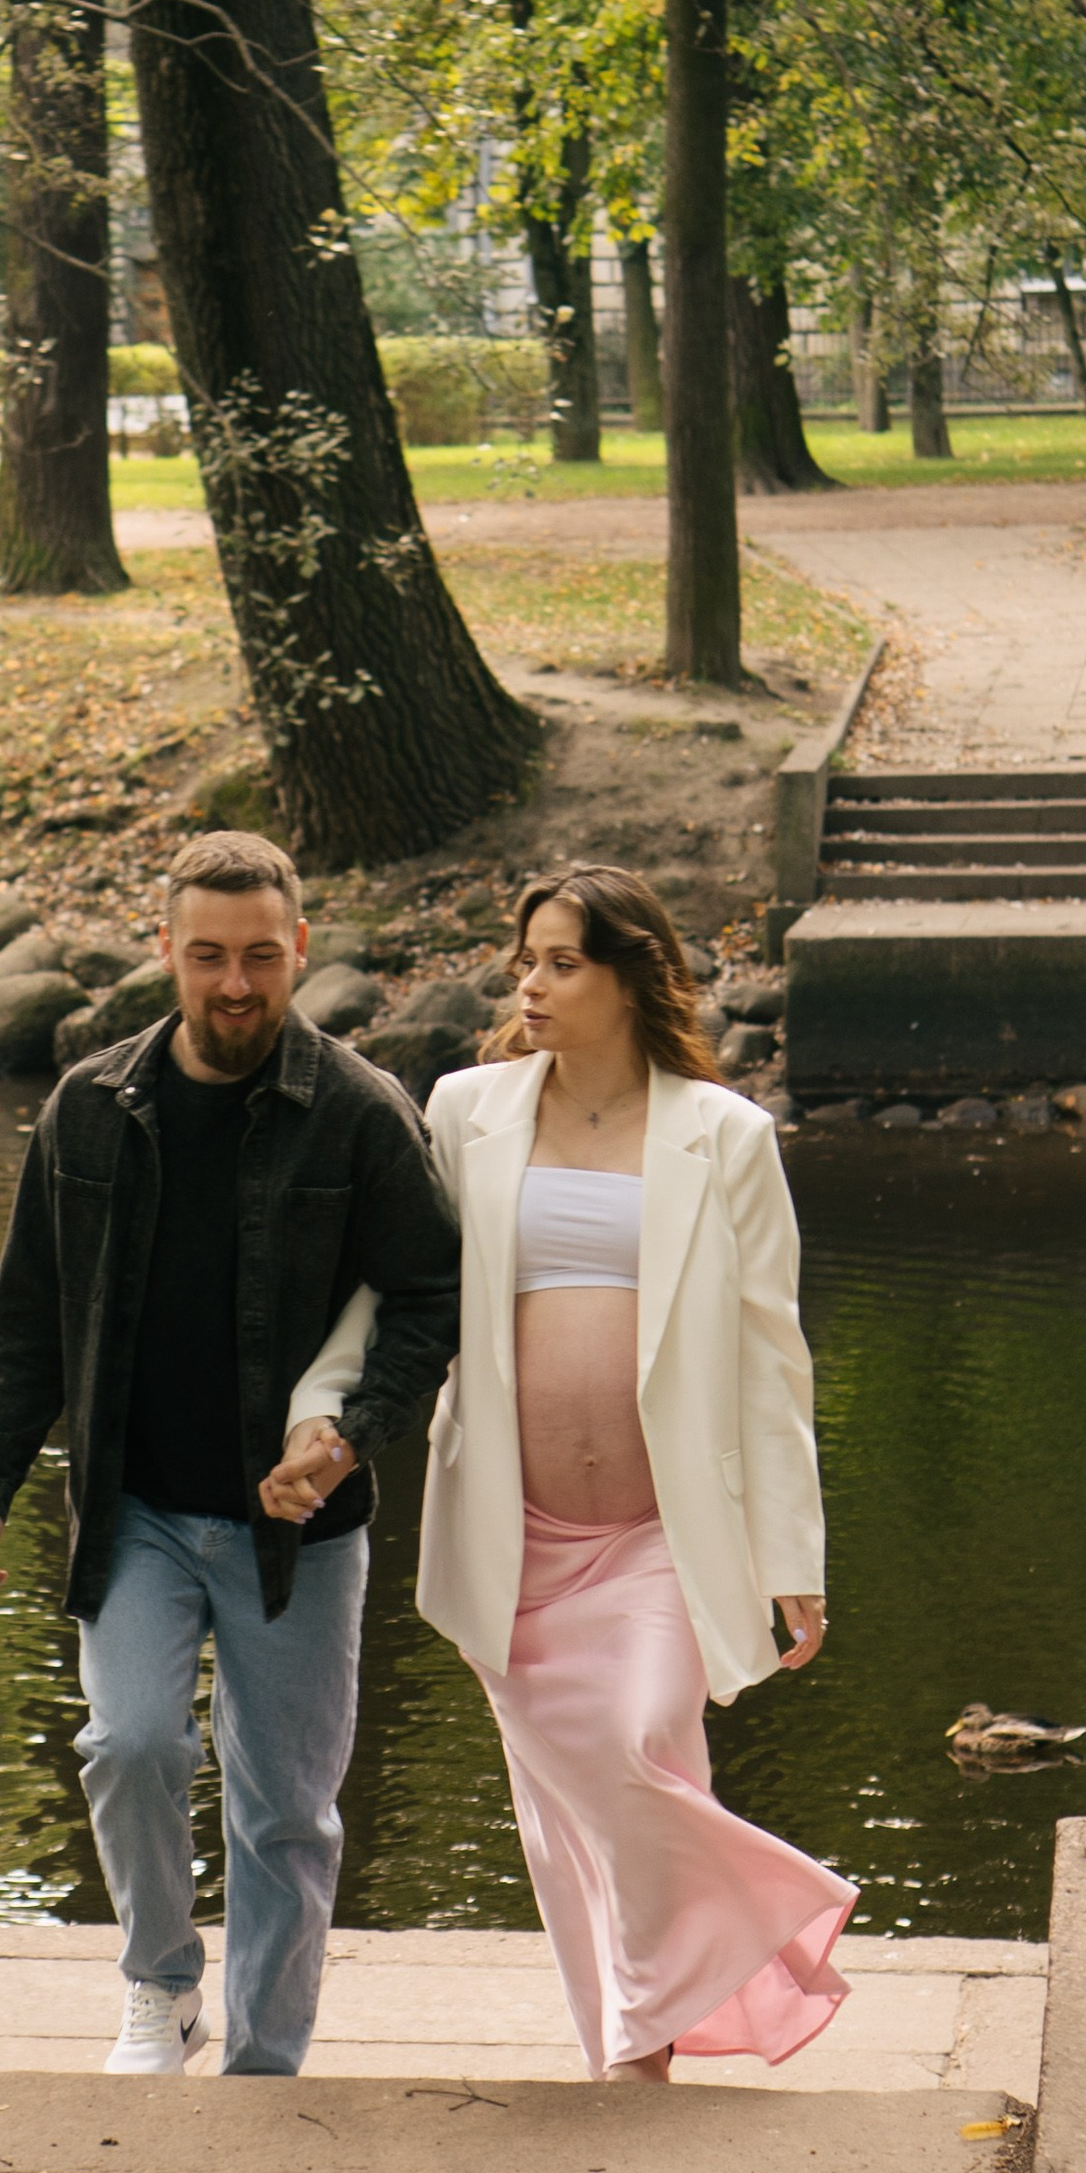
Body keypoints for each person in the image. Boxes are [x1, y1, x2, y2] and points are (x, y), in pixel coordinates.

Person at [261, 862, 851, 2081]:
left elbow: (771, 1359)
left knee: (642, 1748)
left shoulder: (725, 1136)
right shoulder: (464, 1112)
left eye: (561, 964)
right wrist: (323, 1414)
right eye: (524, 960)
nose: (529, 984)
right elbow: (395, 1295)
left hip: (663, 1531)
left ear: (632, 978)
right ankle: (632, 2044)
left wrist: (789, 1556)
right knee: (565, 1818)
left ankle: (686, 1987)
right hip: (510, 1533)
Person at [0, 829, 459, 2078]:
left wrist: (348, 1438)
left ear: (300, 950)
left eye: (262, 957)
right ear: (166, 950)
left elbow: (433, 1297)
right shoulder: (88, 1107)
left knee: (285, 1812)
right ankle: (161, 1986)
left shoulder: (358, 1112)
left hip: (300, 1530)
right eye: (210, 956)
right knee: (129, 1745)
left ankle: (265, 2065)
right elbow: (28, 1317)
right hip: (137, 1512)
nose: (236, 984)